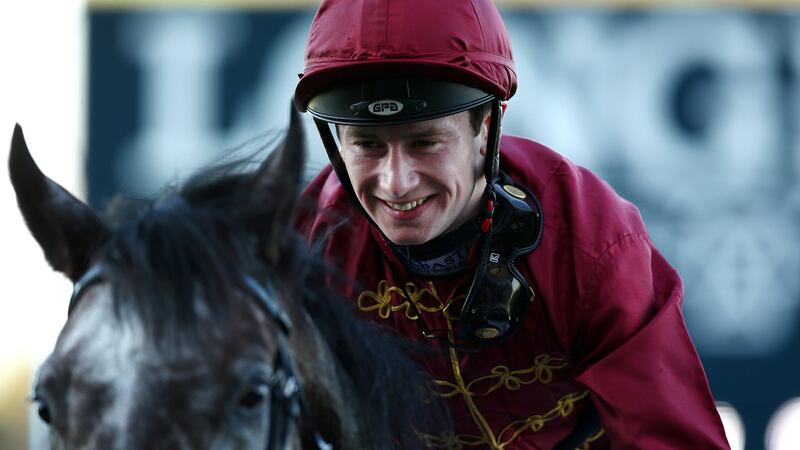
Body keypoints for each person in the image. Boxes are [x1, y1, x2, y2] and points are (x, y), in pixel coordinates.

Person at [293, 0, 730, 448]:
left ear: (486, 126)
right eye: (367, 145)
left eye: (425, 142)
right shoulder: (300, 253)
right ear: (336, 144)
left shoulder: (591, 242)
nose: (396, 182)